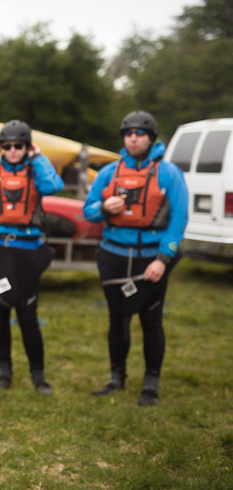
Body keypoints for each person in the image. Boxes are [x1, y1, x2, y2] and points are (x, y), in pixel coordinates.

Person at [84, 110, 188, 407]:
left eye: (139, 133)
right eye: (128, 133)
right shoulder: (108, 173)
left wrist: (162, 259)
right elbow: (87, 210)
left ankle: (151, 384)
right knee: (117, 318)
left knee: (151, 320)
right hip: (113, 255)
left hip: (150, 259)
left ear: (151, 138)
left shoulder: (169, 174)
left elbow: (178, 221)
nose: (133, 138)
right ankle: (117, 378)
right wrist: (104, 208)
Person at [0, 120, 64, 395]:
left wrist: (39, 157)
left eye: (19, 145)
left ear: (28, 147)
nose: (14, 150)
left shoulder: (36, 173)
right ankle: (4, 372)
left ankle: (38, 376)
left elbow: (54, 185)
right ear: (1, 147)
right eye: (8, 146)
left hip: (27, 252)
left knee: (28, 315)